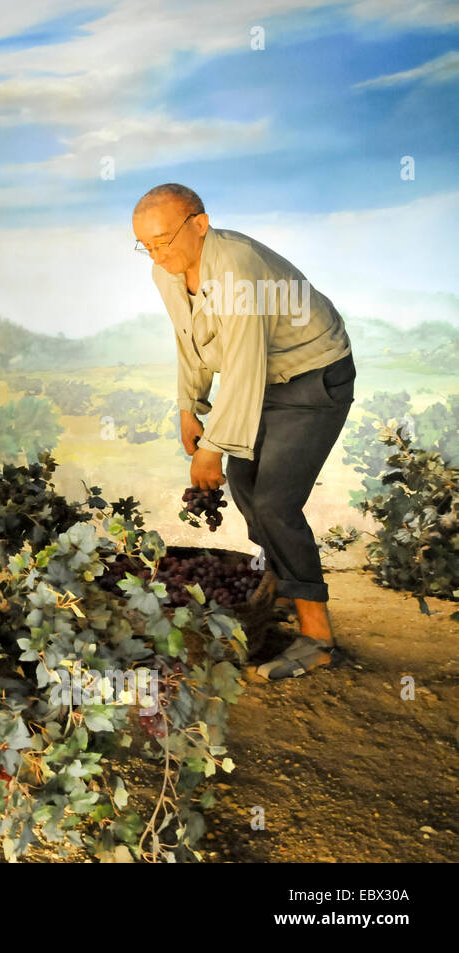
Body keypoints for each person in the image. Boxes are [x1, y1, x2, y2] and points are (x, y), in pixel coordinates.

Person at [132, 183, 356, 680]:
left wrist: (211, 450)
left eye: (164, 240)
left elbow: (243, 365)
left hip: (313, 378)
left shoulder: (235, 267)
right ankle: (280, 590)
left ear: (200, 224)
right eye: (146, 245)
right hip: (263, 382)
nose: (157, 253)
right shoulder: (164, 271)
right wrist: (189, 407)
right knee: (246, 489)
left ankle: (318, 638)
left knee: (276, 502)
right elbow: (187, 338)